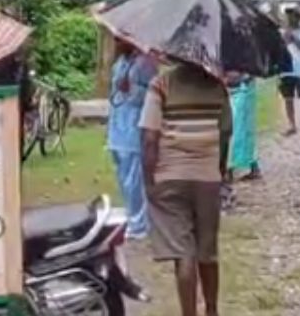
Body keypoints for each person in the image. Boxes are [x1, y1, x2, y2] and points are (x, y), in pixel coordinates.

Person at [141, 57, 233, 316]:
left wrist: (148, 180)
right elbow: (226, 133)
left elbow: (150, 138)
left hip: (170, 177)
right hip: (207, 177)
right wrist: (220, 169)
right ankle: (212, 311)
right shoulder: (217, 86)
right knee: (207, 251)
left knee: (183, 254)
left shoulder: (161, 85)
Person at [108, 37, 158, 239]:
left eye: (119, 39)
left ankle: (139, 223)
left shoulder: (146, 63)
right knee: (122, 174)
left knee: (134, 176)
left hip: (134, 125)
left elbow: (154, 94)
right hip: (117, 124)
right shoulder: (120, 63)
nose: (116, 43)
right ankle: (131, 213)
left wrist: (133, 89)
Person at [278, 8, 300, 136]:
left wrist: (293, 39)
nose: (290, 19)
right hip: (286, 70)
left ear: (298, 17)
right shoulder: (281, 33)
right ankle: (291, 125)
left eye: (292, 16)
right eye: (287, 16)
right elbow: (277, 51)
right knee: (288, 99)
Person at [226, 70, 262, 181]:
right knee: (246, 128)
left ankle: (229, 169)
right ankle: (253, 166)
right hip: (245, 83)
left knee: (235, 128)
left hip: (238, 85)